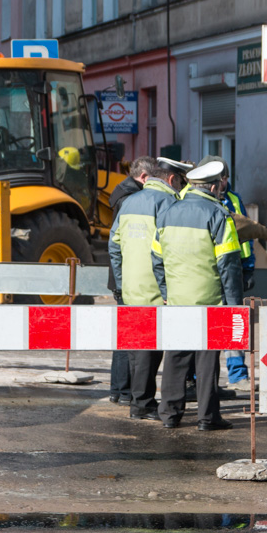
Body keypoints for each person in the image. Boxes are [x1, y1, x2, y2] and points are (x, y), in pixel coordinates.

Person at [152, 159, 243, 431]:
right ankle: (207, 417)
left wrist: (167, 292)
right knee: (206, 361)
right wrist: (234, 305)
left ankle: (169, 414)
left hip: (178, 299)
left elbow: (156, 258)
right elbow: (228, 265)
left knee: (176, 356)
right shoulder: (218, 215)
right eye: (220, 186)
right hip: (209, 301)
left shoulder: (168, 212)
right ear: (213, 186)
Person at [109, 158, 188, 421]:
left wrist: (121, 283)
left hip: (132, 289)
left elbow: (113, 244)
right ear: (170, 179)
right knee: (149, 351)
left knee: (137, 348)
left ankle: (138, 399)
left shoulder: (130, 201)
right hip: (156, 290)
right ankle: (141, 404)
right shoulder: (168, 203)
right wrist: (168, 289)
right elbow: (172, 249)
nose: (181, 187)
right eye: (180, 181)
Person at [195, 155, 257, 394]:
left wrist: (249, 267)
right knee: (204, 327)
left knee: (234, 324)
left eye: (222, 178)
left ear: (225, 179)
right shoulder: (194, 200)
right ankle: (199, 377)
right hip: (205, 275)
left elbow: (245, 234)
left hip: (232, 272)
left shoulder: (233, 199)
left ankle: (238, 374)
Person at [106, 156, 160, 405]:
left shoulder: (122, 194)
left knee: (124, 336)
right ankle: (124, 390)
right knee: (130, 339)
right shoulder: (132, 199)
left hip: (124, 277)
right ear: (145, 178)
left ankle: (120, 389)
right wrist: (120, 282)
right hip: (130, 279)